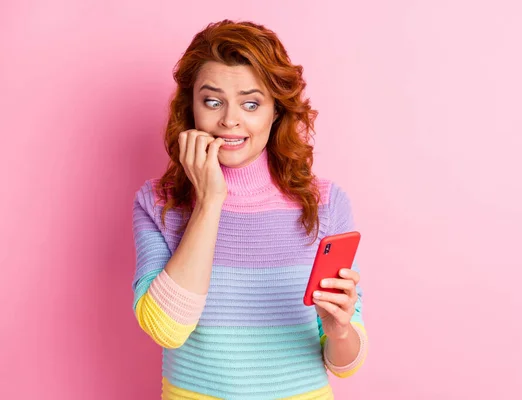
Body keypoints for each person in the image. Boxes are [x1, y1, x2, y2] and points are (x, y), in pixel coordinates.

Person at [131, 19, 368, 400]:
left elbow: (346, 363)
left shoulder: (326, 202)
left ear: (275, 112)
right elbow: (166, 329)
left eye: (251, 103)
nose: (229, 119)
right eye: (212, 101)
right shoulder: (158, 202)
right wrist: (209, 201)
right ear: (190, 108)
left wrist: (340, 330)